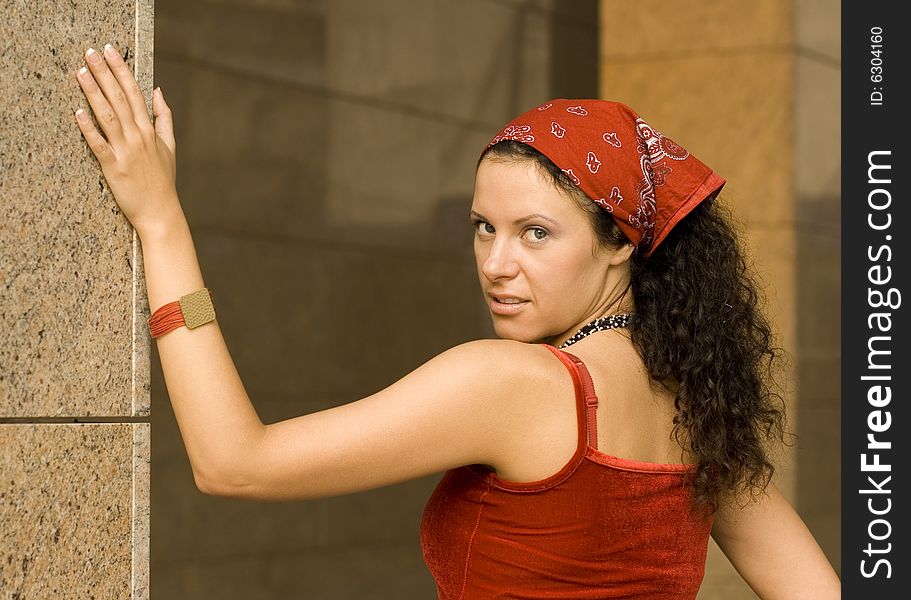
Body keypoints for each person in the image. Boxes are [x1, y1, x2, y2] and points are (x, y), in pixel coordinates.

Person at [73, 44, 840, 599]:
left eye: (535, 233)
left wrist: (162, 223)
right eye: (483, 227)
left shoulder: (515, 383)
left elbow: (233, 462)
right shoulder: (698, 405)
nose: (496, 263)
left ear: (619, 245)